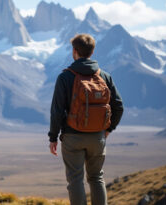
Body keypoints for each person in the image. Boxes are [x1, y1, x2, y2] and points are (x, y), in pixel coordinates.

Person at [48, 34, 124, 205]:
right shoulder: (104, 76)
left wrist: (53, 137)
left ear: (74, 51)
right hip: (98, 137)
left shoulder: (65, 77)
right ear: (92, 51)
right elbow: (118, 106)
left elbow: (57, 111)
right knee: (97, 177)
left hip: (72, 137)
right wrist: (108, 129)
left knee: (75, 180)